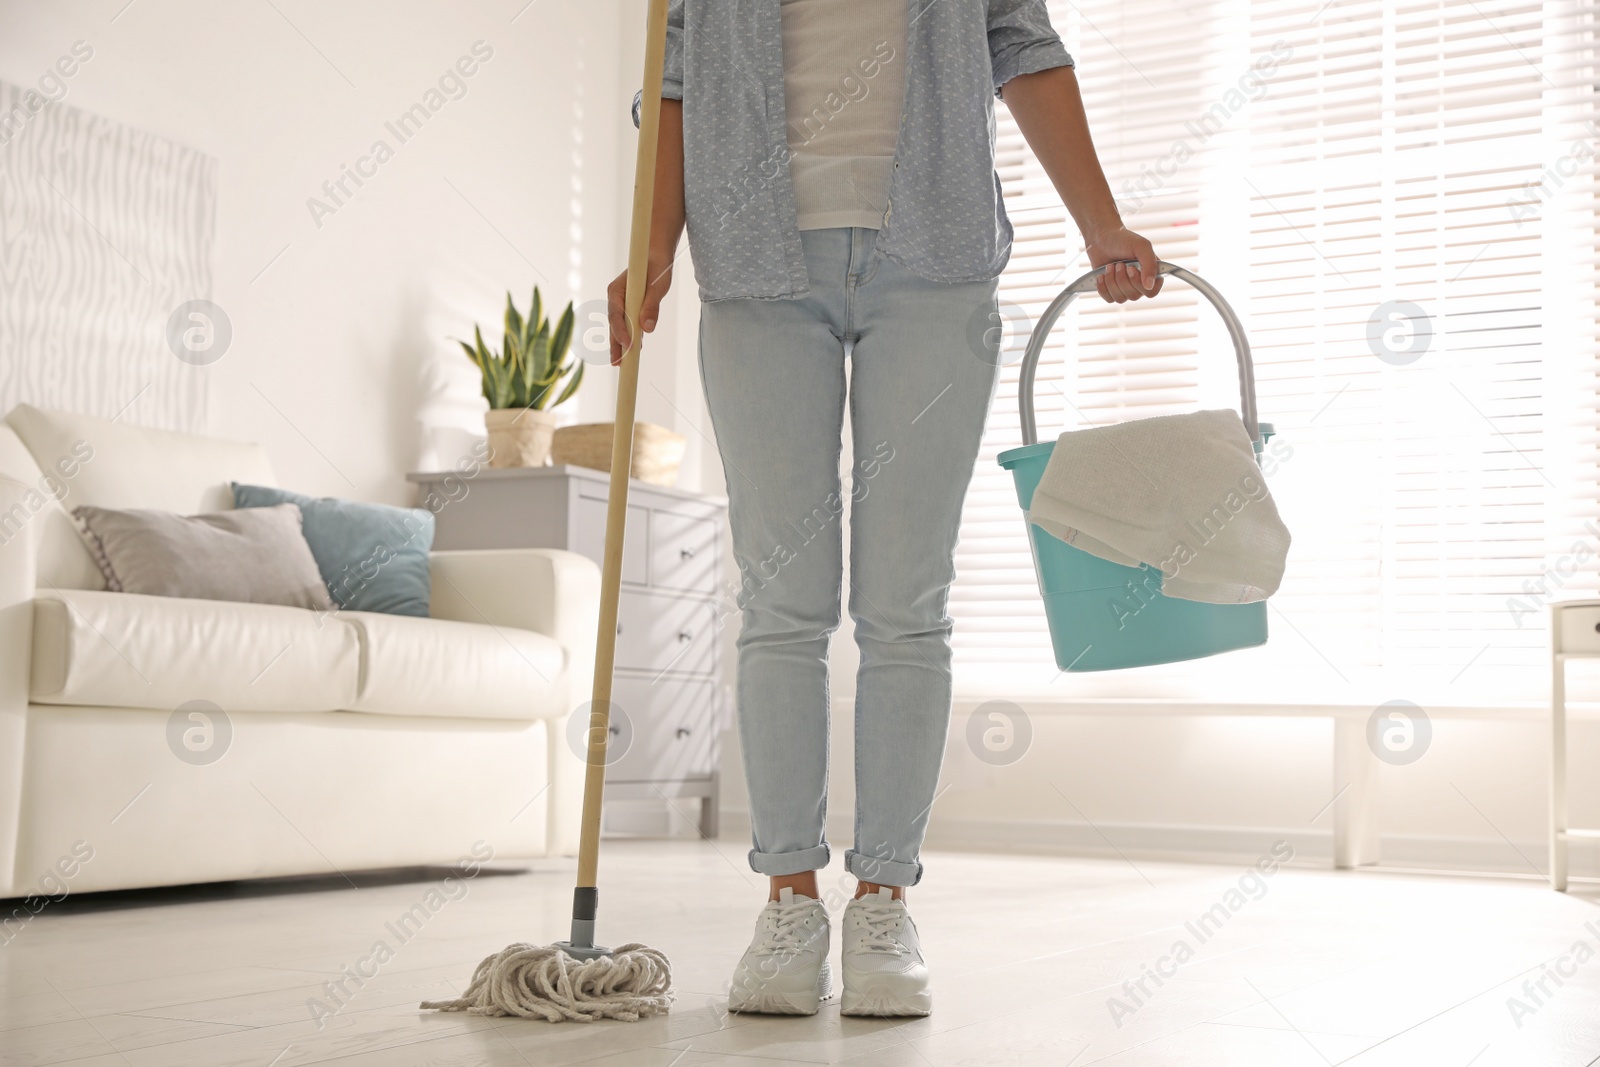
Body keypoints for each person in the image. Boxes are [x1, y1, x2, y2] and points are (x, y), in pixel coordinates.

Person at [607, 0, 1160, 1018]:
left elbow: (1021, 45)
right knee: (781, 600)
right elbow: (675, 71)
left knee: (906, 601)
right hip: (755, 263)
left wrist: (1099, 221)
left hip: (936, 263)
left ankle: (881, 899)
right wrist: (653, 244)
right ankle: (786, 901)